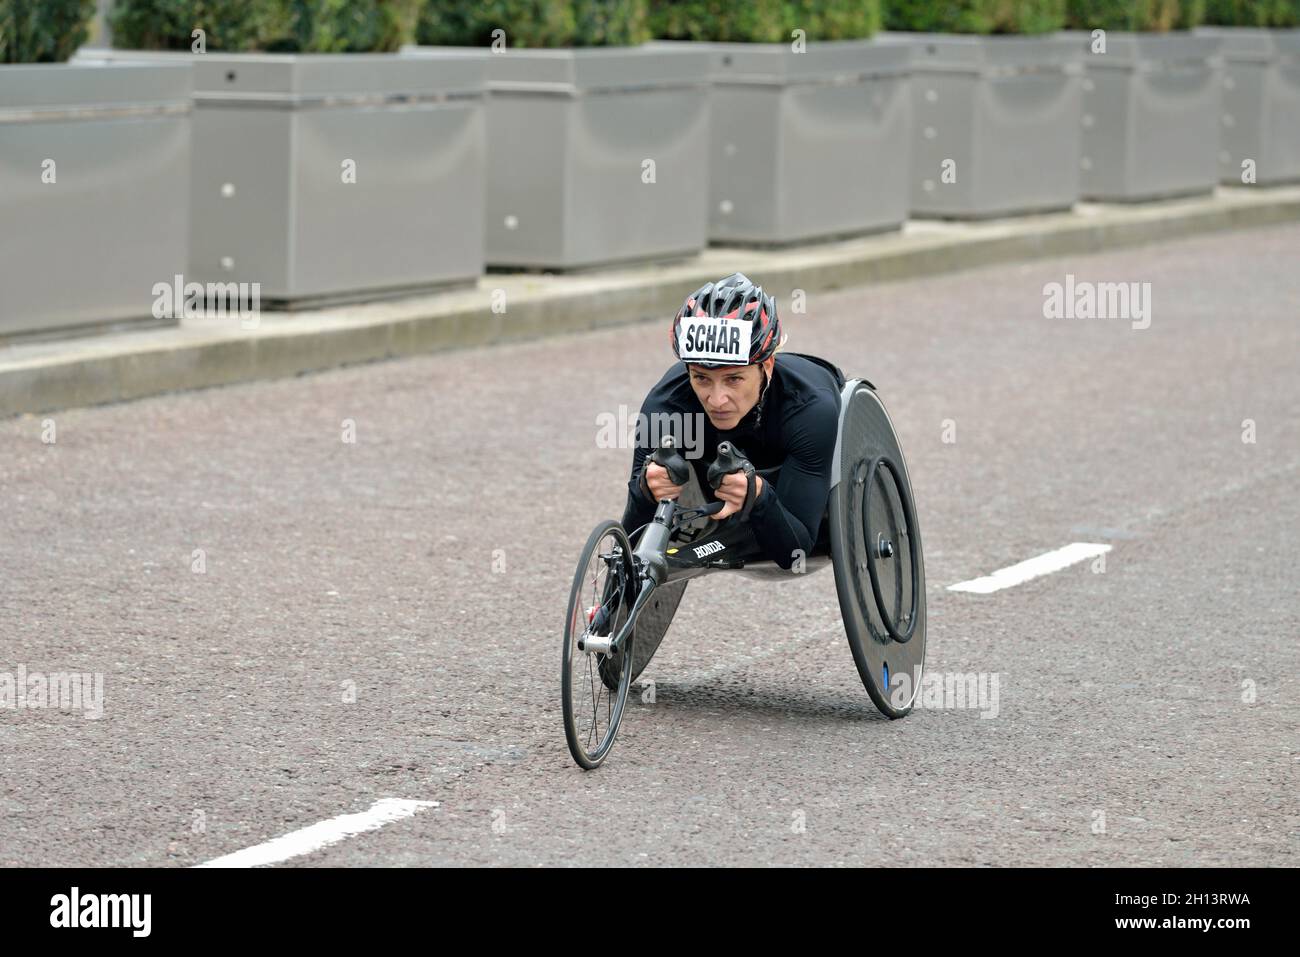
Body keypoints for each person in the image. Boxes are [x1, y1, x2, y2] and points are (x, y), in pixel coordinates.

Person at [621, 272, 845, 571]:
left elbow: (794, 555)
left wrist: (759, 495)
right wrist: (646, 490)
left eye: (734, 379)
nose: (716, 399)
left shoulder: (809, 408)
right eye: (701, 377)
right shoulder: (667, 406)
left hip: (788, 468)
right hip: (714, 471)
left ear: (767, 365)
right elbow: (633, 533)